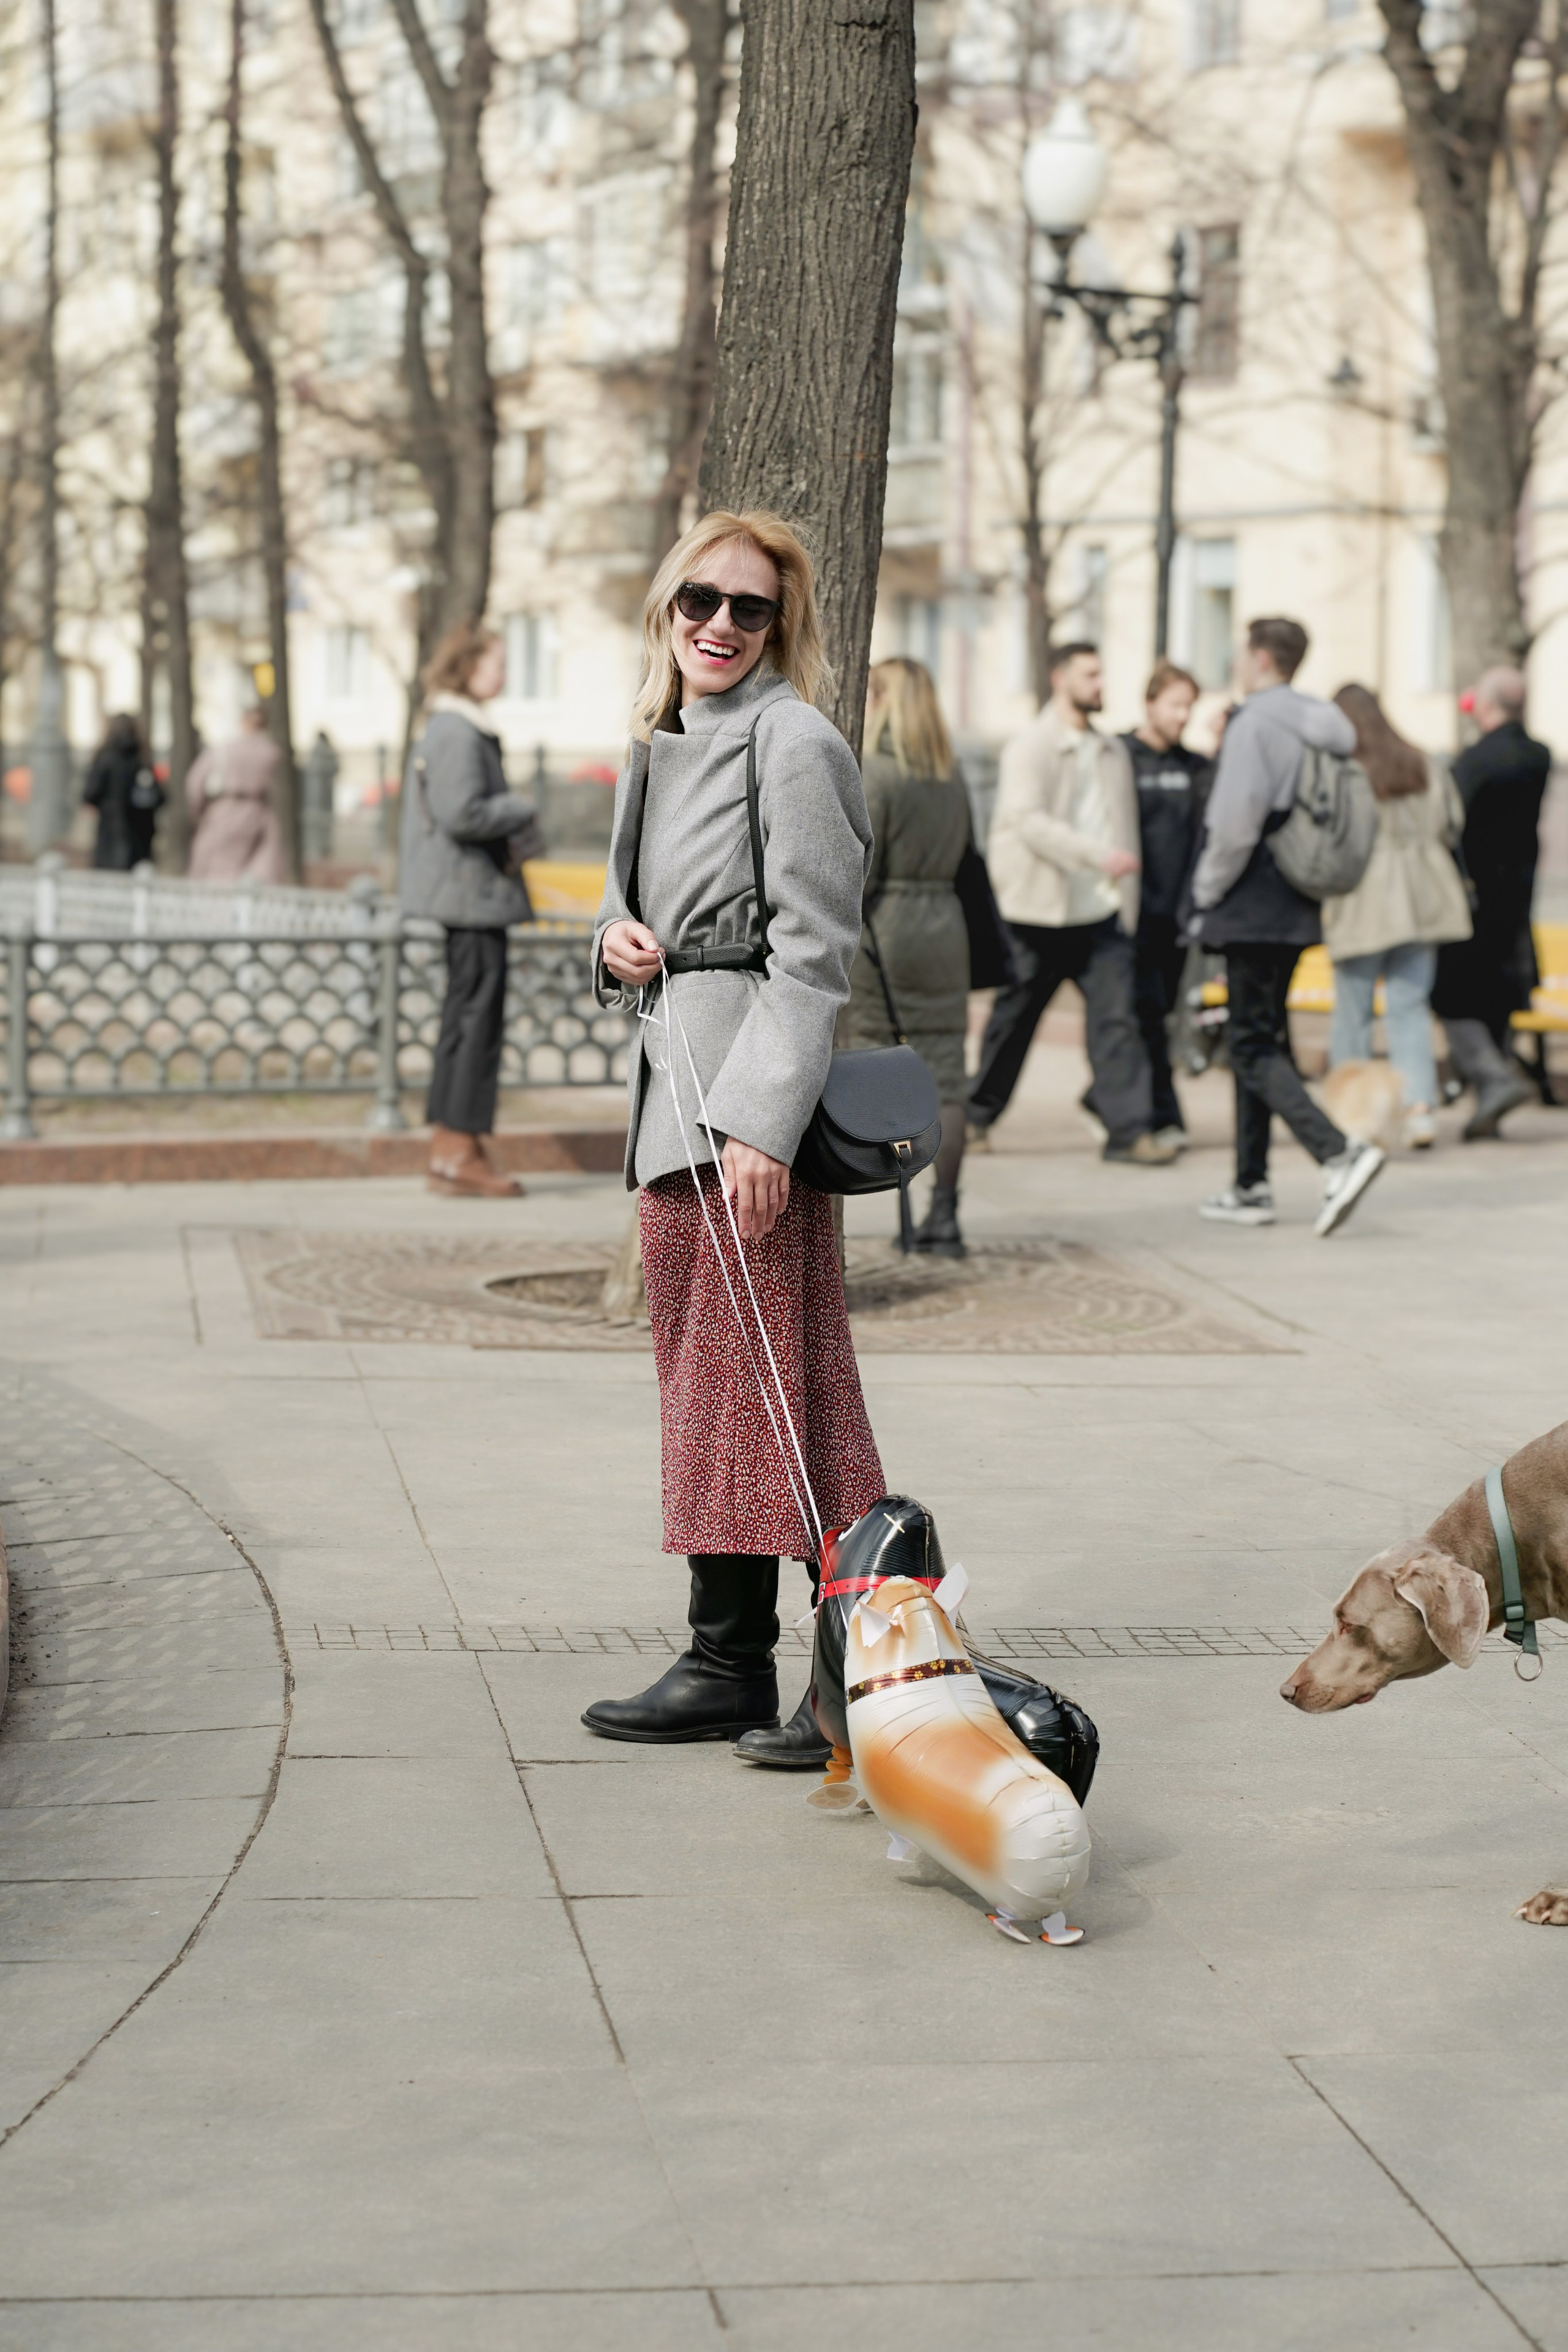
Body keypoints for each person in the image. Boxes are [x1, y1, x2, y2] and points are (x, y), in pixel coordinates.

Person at [581, 507, 886, 1757]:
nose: (717, 624)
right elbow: (626, 904)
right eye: (698, 601)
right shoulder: (661, 740)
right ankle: (729, 1662)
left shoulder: (792, 739)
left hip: (741, 1109)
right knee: (714, 1387)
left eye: (747, 608)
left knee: (781, 1388)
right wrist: (608, 943)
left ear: (780, 625)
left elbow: (814, 953)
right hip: (672, 1096)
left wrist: (761, 1124)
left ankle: (850, 1678)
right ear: (667, 608)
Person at [1188, 616, 1386, 1235]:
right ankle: (1250, 1184)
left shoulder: (1256, 723)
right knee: (1262, 1039)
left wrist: (1203, 893)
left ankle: (1338, 1152)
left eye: (1240, 652)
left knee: (1248, 1044)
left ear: (1260, 658)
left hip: (1250, 899)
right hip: (1298, 896)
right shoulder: (1322, 725)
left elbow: (1234, 823)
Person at [968, 641, 1173, 1164]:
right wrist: (1098, 855)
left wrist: (1120, 890)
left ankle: (1129, 1132)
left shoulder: (1111, 752)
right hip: (1039, 912)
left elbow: (1123, 824)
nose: (1101, 684)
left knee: (1116, 1022)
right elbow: (1027, 822)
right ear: (1061, 678)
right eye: (1090, 674)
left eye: (1102, 674)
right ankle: (975, 1116)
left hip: (1099, 913)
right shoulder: (1029, 747)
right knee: (1013, 1023)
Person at [399, 619, 545, 1199]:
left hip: (469, 896)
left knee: (465, 1021)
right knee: (473, 1023)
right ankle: (458, 1149)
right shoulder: (458, 729)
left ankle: (453, 1146)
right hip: (472, 897)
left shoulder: (452, 724)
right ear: (466, 667)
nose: (503, 672)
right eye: (495, 661)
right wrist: (520, 807)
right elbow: (462, 812)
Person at [839, 657, 973, 1255]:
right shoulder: (952, 776)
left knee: (884, 1069)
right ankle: (945, 1213)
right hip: (946, 928)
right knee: (945, 1071)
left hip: (889, 930)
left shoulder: (880, 775)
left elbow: (863, 871)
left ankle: (904, 1214)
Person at [1321, 684, 1472, 1150]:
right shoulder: (1423, 761)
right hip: (1424, 897)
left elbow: (1331, 835)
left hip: (1364, 896)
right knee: (1409, 1009)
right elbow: (1452, 823)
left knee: (1354, 1012)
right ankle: (1419, 1110)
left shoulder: (1344, 770)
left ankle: (1353, 1115)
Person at [1431, 665, 1551, 1139]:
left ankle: (1492, 1078)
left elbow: (1452, 821)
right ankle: (1491, 1098)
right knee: (1499, 998)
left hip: (1473, 896)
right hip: (1517, 895)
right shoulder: (1538, 756)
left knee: (1451, 994)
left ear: (1485, 705)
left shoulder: (1477, 761)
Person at [1120, 659, 1211, 1151]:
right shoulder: (1122, 755)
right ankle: (1161, 1113)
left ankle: (1108, 1097)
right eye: (1175, 705)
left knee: (1161, 1016)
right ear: (1150, 702)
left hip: (1176, 919)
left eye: (1189, 708)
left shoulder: (1193, 767)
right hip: (1132, 915)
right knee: (1145, 1015)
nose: (1182, 716)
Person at [184, 706, 287, 883]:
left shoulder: (225, 749)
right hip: (259, 814)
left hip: (226, 810)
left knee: (218, 870)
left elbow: (195, 783)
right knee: (258, 870)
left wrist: (201, 813)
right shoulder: (272, 752)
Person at [83, 712, 162, 870]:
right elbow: (160, 797)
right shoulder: (142, 760)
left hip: (109, 834)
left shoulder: (105, 759)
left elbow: (90, 794)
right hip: (140, 838)